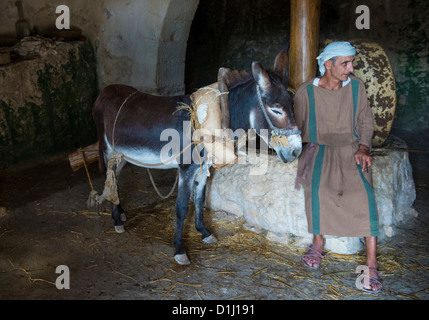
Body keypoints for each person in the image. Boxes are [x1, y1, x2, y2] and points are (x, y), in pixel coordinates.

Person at [293, 41, 382, 293]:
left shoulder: (356, 87)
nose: (351, 68)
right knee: (317, 192)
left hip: (352, 150)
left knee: (365, 198)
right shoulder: (305, 92)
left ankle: (372, 265)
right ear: (328, 64)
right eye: (345, 63)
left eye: (352, 62)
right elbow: (296, 127)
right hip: (319, 150)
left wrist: (364, 147)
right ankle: (318, 244)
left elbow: (365, 120)